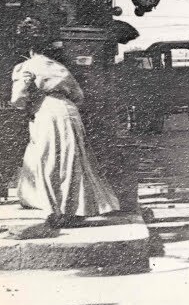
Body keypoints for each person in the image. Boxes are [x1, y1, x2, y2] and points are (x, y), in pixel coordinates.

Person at [9, 20, 120, 236]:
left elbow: (18, 98)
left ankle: (54, 212)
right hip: (69, 111)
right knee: (72, 161)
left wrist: (28, 104)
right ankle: (72, 211)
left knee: (48, 162)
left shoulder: (27, 66)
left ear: (29, 48)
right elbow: (78, 95)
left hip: (46, 111)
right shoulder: (58, 66)